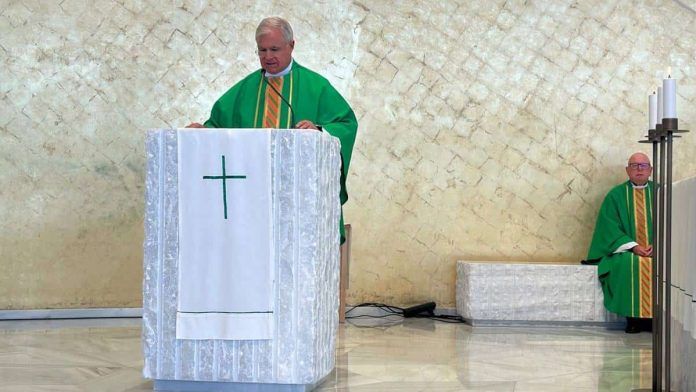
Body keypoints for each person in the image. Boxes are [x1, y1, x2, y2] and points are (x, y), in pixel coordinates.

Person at [188, 17, 358, 242]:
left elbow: (346, 124)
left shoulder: (315, 86)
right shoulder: (244, 89)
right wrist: (203, 131)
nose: (268, 57)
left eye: (274, 49)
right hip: (251, 202)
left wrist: (319, 130)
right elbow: (218, 125)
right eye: (262, 50)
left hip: (300, 202)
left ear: (292, 46)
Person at [585, 152, 653, 333]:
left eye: (643, 165)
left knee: (664, 265)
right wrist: (634, 246)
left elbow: (675, 222)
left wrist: (660, 245)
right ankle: (633, 320)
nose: (639, 169)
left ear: (651, 170)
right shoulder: (615, 195)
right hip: (626, 251)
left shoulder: (663, 193)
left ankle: (655, 319)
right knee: (628, 264)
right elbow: (609, 228)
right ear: (627, 170)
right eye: (634, 165)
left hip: (658, 250)